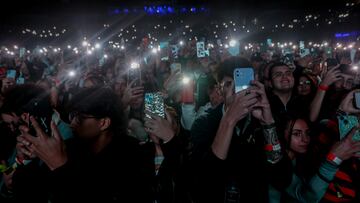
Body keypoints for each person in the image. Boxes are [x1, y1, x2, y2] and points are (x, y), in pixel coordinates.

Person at [16, 86, 154, 202]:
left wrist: (60, 166)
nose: (72, 123)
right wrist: (26, 161)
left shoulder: (132, 155)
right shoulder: (70, 147)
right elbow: (31, 192)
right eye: (72, 116)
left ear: (104, 123)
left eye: (80, 118)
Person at [190, 57, 292, 203]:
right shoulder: (204, 123)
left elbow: (282, 179)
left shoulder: (263, 120)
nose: (236, 91)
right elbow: (204, 181)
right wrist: (229, 120)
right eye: (229, 84)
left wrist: (268, 123)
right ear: (220, 89)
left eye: (240, 84)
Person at [269, 117, 360, 203]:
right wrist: (332, 162)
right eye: (297, 134)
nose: (305, 139)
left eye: (307, 133)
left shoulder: (302, 157)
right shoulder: (277, 165)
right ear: (281, 134)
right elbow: (308, 197)